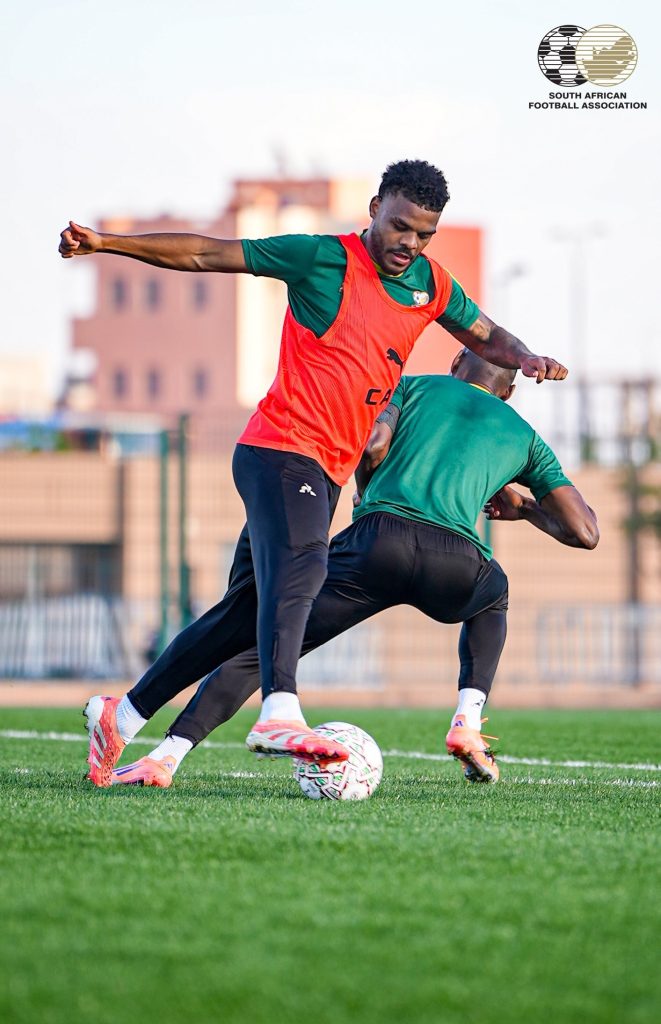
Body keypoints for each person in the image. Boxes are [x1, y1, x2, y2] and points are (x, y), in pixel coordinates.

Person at [59, 159, 568, 785]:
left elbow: (488, 336)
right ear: (376, 207)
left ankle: (123, 713)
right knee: (305, 563)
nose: (410, 244)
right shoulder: (320, 258)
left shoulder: (431, 285)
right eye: (401, 226)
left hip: (324, 469)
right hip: (280, 448)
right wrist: (109, 244)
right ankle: (280, 709)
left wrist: (528, 357)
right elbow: (206, 255)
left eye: (425, 234)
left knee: (243, 613)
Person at [108, 350, 597, 788]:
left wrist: (366, 488)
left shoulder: (412, 385)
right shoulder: (524, 436)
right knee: (494, 594)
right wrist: (526, 509)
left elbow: (374, 444)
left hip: (376, 544)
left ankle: (166, 757)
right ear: (508, 392)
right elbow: (585, 532)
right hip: (455, 561)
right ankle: (467, 721)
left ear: (453, 365)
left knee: (269, 647)